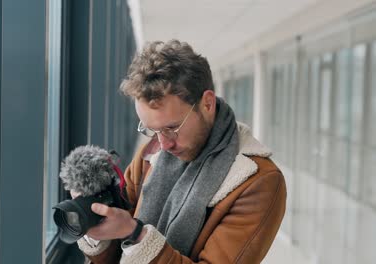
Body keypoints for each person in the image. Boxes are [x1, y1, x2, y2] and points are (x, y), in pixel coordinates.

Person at [75, 39, 286, 264]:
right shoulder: (151, 154)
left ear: (207, 103)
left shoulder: (259, 182)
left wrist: (135, 234)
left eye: (172, 128)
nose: (163, 144)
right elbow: (115, 253)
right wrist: (94, 223)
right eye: (152, 130)